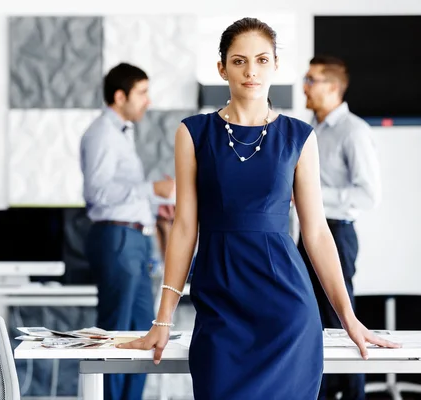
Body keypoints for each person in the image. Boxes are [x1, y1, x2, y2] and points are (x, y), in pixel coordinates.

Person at [117, 17, 398, 399]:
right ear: (222, 68)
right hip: (220, 305)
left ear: (276, 66)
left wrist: (348, 317)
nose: (251, 70)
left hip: (287, 312)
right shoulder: (193, 133)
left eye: (263, 60)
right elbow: (184, 229)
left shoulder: (300, 137)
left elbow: (316, 231)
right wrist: (162, 317)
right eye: (239, 61)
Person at [80, 62, 175, 400]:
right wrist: (152, 190)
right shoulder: (102, 133)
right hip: (117, 239)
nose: (148, 101)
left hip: (135, 239)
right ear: (120, 96)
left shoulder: (122, 132)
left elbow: (123, 192)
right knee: (113, 334)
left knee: (141, 334)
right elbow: (98, 194)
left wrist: (155, 204)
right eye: (142, 93)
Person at [299, 55, 382, 400]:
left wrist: (309, 196)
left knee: (340, 320)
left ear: (333, 87)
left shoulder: (354, 131)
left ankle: (352, 395)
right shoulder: (309, 130)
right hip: (307, 232)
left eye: (312, 79)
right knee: (313, 322)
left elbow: (368, 194)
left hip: (335, 231)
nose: (304, 85)